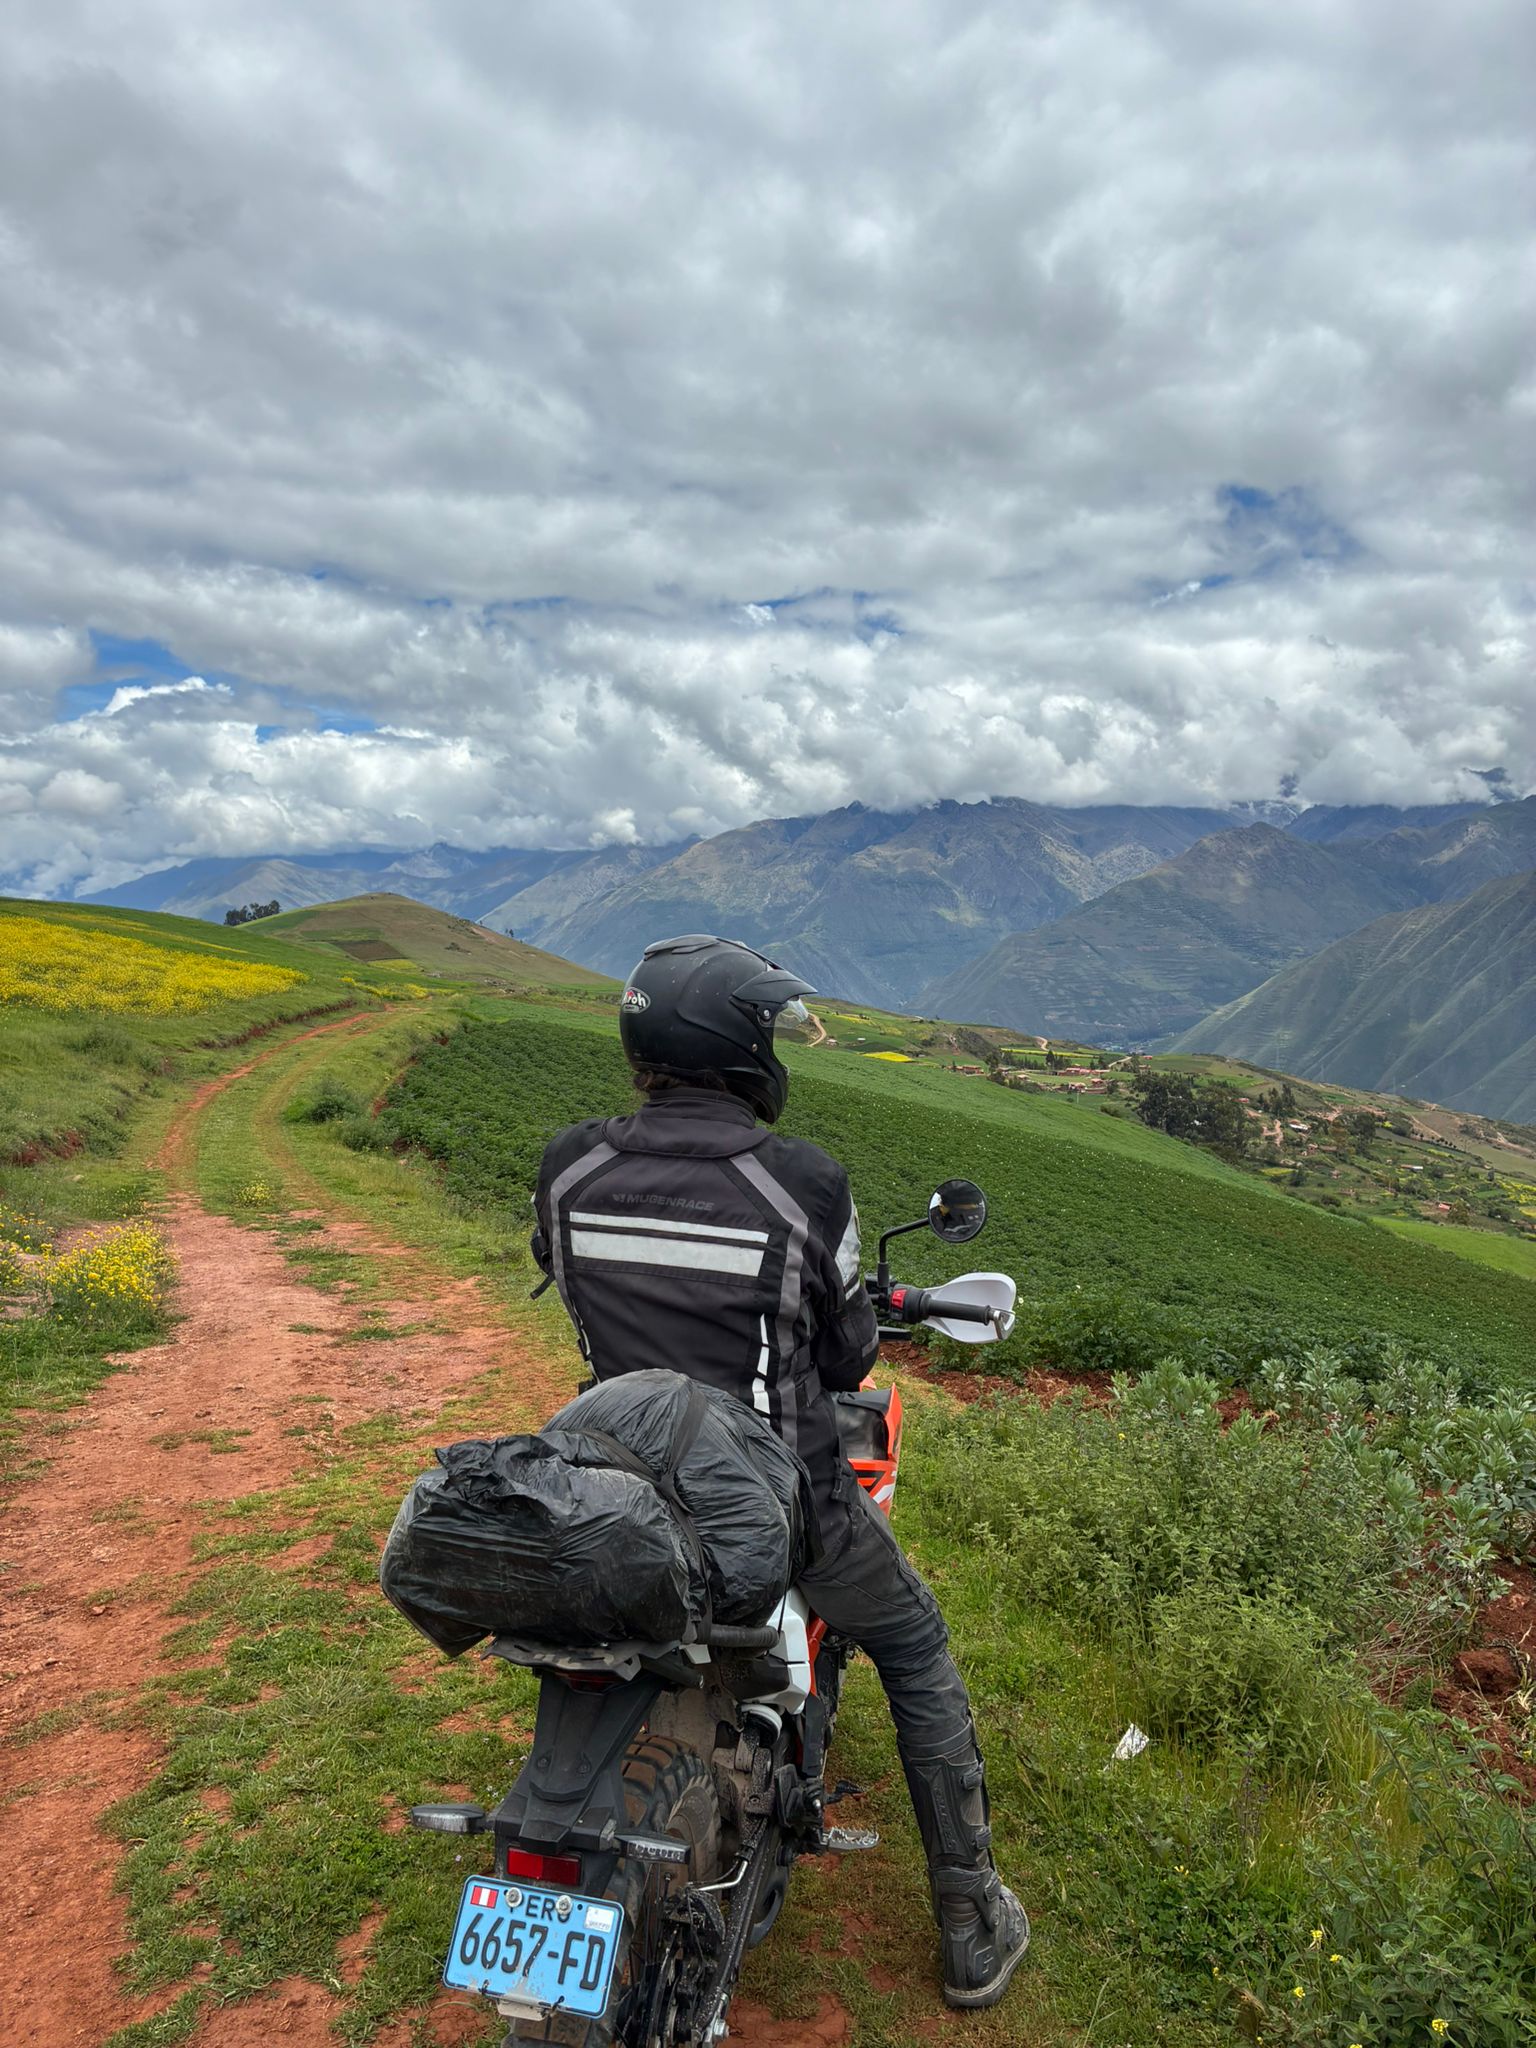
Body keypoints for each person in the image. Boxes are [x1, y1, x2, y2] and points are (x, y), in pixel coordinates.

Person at [531, 933, 1029, 2010]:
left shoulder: (569, 1166)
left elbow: (568, 1280)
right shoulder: (800, 1183)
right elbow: (845, 1357)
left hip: (613, 1492)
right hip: (780, 1507)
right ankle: (970, 1919)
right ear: (744, 1047)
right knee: (914, 1640)